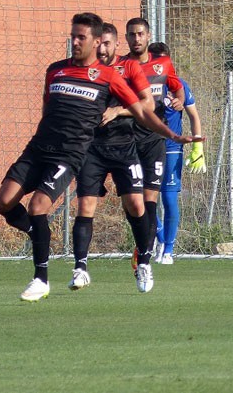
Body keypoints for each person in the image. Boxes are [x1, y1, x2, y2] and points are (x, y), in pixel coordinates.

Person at [0, 12, 194, 302]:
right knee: (4, 202)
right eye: (73, 36)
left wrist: (172, 134)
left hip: (88, 152)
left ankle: (48, 277)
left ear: (101, 42)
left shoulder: (113, 75)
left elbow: (143, 109)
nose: (75, 42)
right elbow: (47, 109)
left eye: (82, 37)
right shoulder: (55, 70)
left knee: (49, 206)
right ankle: (48, 243)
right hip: (50, 148)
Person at [70, 22, 154, 290]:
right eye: (99, 43)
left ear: (116, 45)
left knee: (136, 206)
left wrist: (118, 111)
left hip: (124, 147)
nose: (103, 48)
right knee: (85, 207)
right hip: (91, 148)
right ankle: (80, 268)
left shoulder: (128, 68)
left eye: (108, 43)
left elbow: (148, 103)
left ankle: (144, 263)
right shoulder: (84, 70)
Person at [123, 18, 188, 269]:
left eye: (140, 34)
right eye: (131, 34)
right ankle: (145, 243)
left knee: (151, 199)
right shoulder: (121, 66)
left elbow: (177, 88)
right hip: (127, 139)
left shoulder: (162, 64)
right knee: (132, 201)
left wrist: (179, 101)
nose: (136, 38)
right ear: (127, 38)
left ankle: (146, 253)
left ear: (148, 36)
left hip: (154, 139)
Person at [148, 42, 205, 264]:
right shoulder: (142, 82)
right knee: (144, 199)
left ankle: (169, 250)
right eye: (155, 60)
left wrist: (198, 147)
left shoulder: (179, 85)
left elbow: (194, 116)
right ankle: (161, 238)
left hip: (172, 148)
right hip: (147, 146)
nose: (159, 65)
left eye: (163, 61)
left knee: (169, 198)